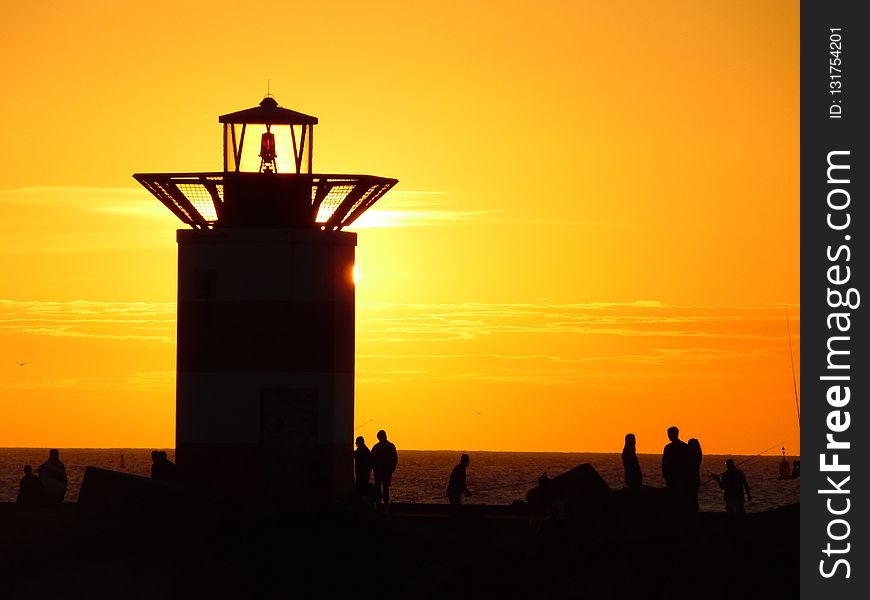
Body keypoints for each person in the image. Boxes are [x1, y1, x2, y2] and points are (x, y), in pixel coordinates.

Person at [661, 426, 690, 510]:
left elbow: (664, 462)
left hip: (674, 476)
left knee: (674, 495)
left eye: (669, 434)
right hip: (678, 476)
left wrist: (665, 474)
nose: (668, 436)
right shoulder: (684, 446)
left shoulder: (668, 448)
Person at [370, 429, 398, 512]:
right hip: (387, 472)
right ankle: (386, 508)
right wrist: (391, 470)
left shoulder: (376, 447)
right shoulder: (391, 446)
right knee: (386, 489)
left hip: (378, 472)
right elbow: (394, 460)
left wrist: (374, 468)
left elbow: (372, 459)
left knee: (377, 488)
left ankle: (377, 506)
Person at [687, 438, 703, 512]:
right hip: (696, 477)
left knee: (691, 496)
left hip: (691, 478)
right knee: (694, 496)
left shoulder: (692, 455)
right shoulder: (698, 454)